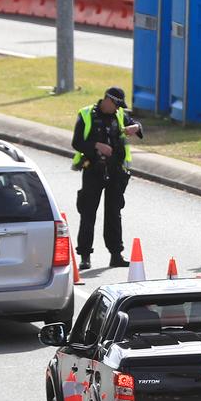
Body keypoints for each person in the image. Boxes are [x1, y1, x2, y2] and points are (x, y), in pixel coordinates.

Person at [71, 87, 144, 270]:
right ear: (108, 101)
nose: (118, 109)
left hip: (115, 172)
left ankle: (116, 254)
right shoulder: (86, 114)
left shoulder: (119, 115)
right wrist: (97, 145)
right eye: (116, 105)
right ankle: (85, 256)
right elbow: (77, 142)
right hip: (93, 170)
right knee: (88, 212)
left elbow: (136, 125)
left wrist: (135, 127)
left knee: (114, 213)